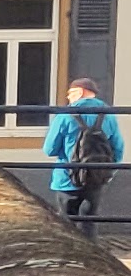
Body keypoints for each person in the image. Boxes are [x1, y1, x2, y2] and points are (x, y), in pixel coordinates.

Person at [44, 78, 125, 237]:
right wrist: (106, 172)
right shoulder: (108, 115)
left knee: (67, 224)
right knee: (89, 222)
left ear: (80, 92)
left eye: (70, 93)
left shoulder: (65, 115)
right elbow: (118, 149)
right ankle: (91, 250)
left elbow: (49, 149)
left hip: (67, 178)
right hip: (96, 178)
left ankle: (69, 251)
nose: (68, 97)